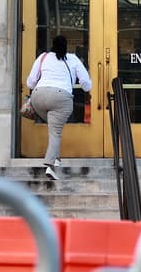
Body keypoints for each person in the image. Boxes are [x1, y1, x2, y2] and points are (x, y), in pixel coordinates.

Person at [25, 35, 92, 181]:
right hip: (61, 98)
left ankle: (56, 157)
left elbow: (30, 82)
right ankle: (50, 165)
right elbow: (86, 84)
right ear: (66, 46)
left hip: (38, 97)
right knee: (55, 132)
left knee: (53, 127)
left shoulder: (43, 57)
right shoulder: (73, 59)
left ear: (52, 45)